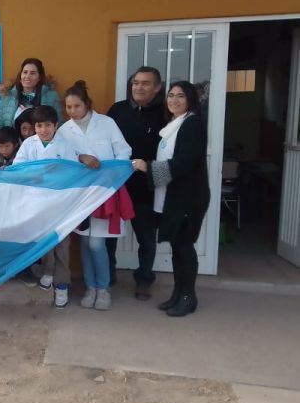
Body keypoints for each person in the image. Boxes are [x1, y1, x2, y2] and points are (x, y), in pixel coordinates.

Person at [132, 81, 210, 317]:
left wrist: (149, 168)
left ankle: (188, 297)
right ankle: (178, 293)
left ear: (190, 101)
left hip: (187, 197)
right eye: (171, 95)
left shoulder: (192, 124)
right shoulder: (174, 125)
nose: (174, 100)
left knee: (185, 246)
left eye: (180, 96)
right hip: (173, 195)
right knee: (178, 247)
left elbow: (184, 162)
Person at [57, 80, 132, 311]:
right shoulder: (63, 130)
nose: (72, 111)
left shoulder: (106, 123)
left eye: (76, 106)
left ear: (87, 104)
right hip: (80, 194)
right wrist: (81, 157)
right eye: (68, 107)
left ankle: (103, 288)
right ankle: (90, 288)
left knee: (97, 244)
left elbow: (124, 151)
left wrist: (111, 171)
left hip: (105, 191)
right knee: (84, 242)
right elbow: (61, 158)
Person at [106, 66, 167, 300]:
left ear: (157, 87)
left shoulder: (164, 113)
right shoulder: (117, 110)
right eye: (135, 83)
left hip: (146, 187)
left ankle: (144, 279)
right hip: (117, 186)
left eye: (145, 83)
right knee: (108, 237)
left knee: (146, 239)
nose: (139, 87)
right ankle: (108, 275)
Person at [14, 105, 78, 305]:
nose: (43, 130)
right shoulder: (28, 145)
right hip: (36, 203)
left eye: (48, 125)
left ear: (56, 125)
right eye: (39, 125)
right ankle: (48, 271)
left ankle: (62, 285)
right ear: (34, 127)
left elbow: (72, 172)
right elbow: (18, 169)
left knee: (62, 243)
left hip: (59, 203)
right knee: (44, 241)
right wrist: (37, 174)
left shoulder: (65, 145)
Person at [0, 58, 62, 129]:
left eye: (32, 73)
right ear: (20, 75)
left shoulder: (51, 96)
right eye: (25, 72)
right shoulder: (7, 96)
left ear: (39, 78)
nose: (27, 76)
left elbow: (58, 125)